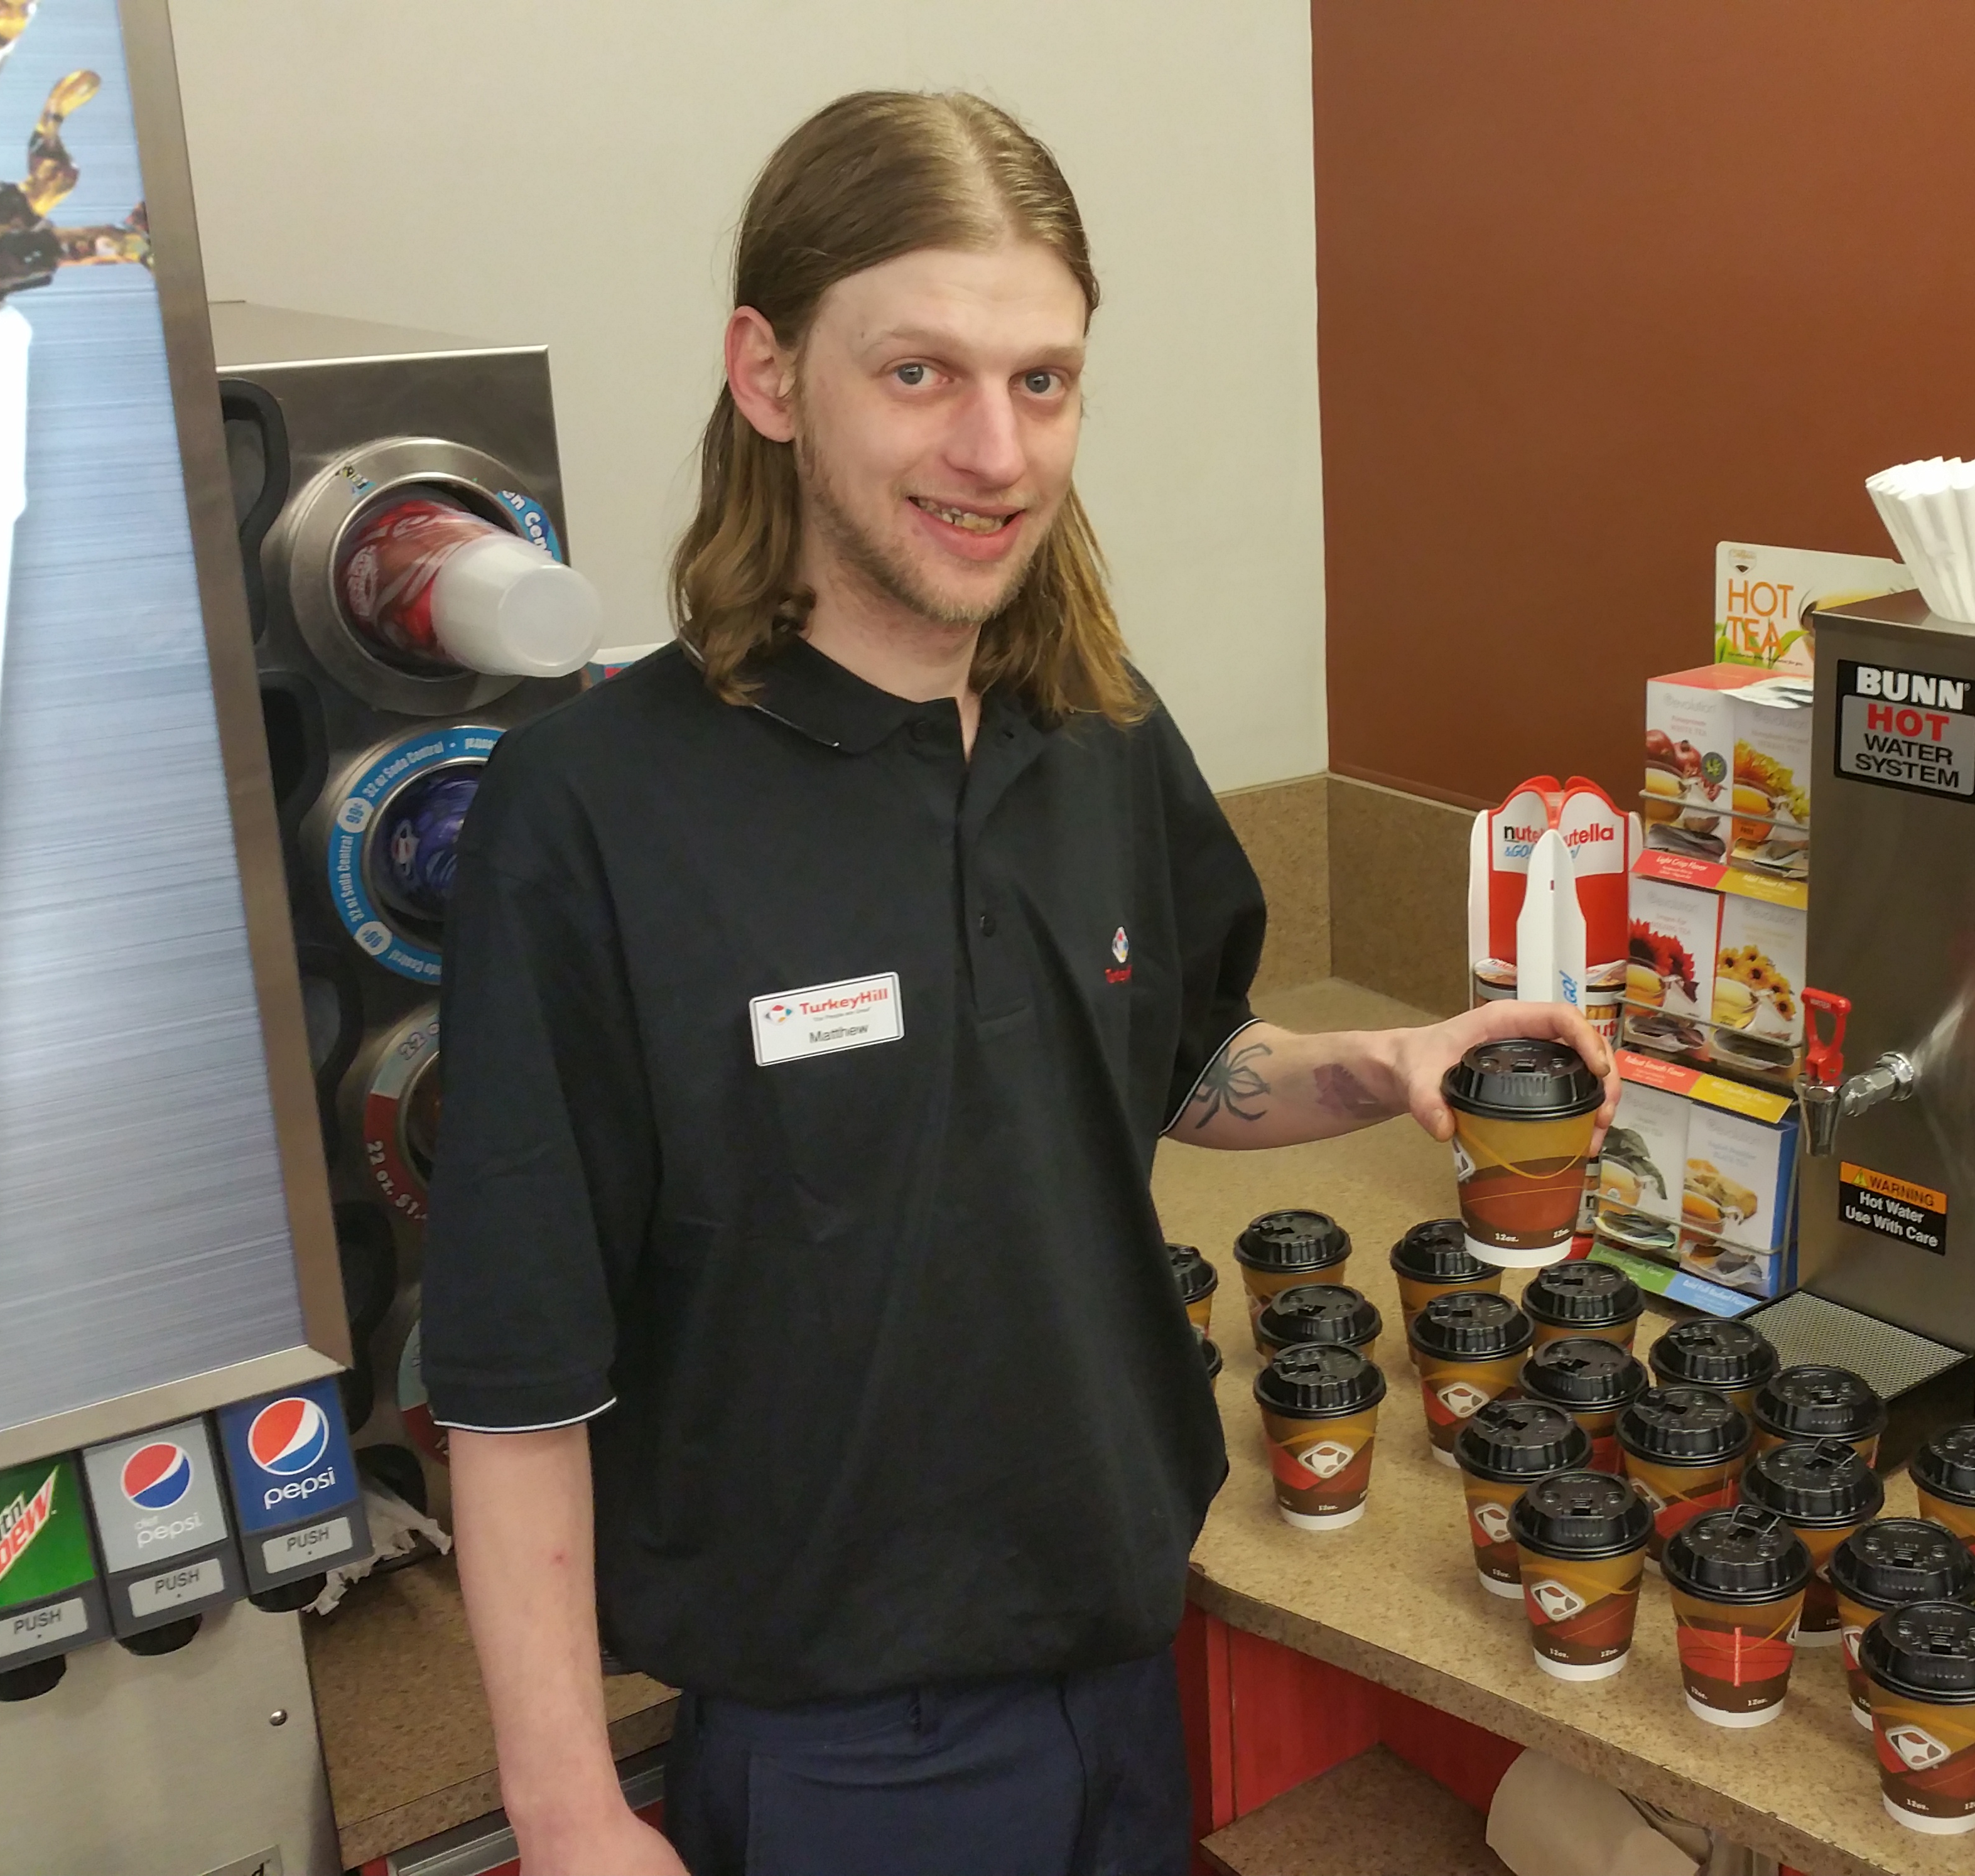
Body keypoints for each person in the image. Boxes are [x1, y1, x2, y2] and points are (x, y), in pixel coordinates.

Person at [420, 90, 1605, 1876]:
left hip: (1123, 1670)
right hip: (840, 1751)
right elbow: (516, 1373)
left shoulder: (1098, 735)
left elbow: (1175, 1063)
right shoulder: (592, 813)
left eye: (1042, 381)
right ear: (768, 375)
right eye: (921, 374)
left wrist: (1384, 1065)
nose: (996, 450)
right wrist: (570, 1805)